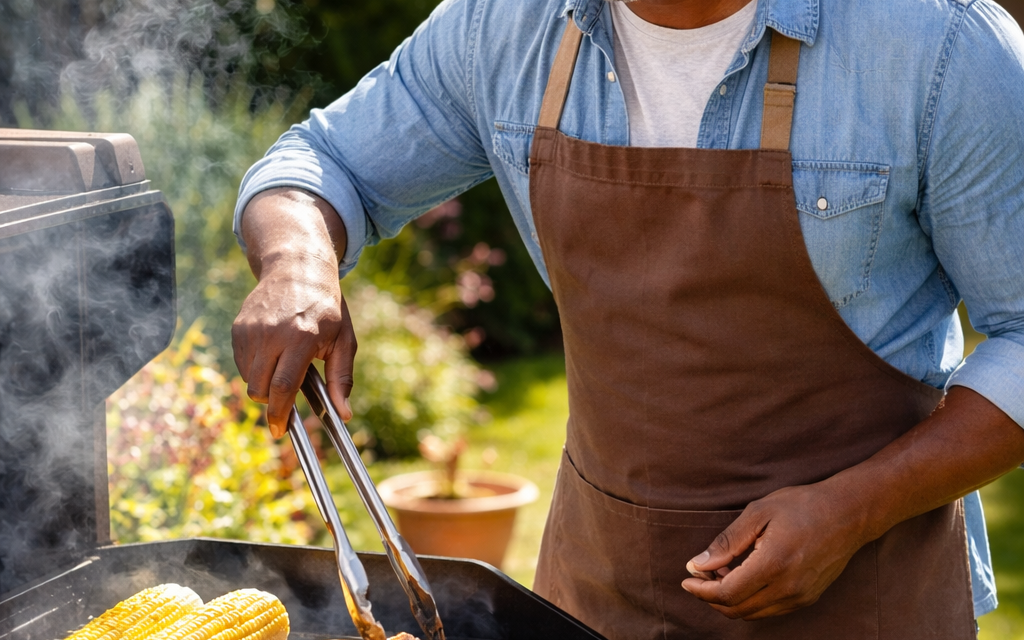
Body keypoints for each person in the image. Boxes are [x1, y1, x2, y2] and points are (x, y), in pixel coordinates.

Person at [231, 0, 1024, 637]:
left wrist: (855, 510)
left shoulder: (940, 46)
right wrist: (297, 259)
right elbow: (324, 163)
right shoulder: (503, 28)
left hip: (869, 600)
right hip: (595, 599)